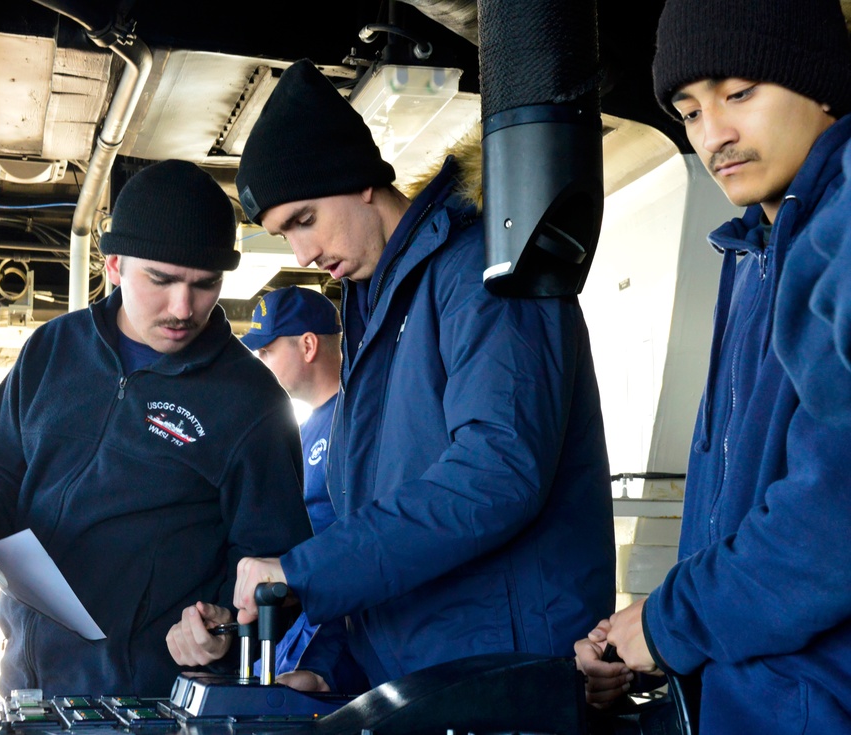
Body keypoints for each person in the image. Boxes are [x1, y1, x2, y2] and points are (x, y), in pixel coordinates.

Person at [228, 58, 616, 692]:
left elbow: (498, 471)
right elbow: (380, 517)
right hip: (424, 677)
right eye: (283, 234)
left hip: (502, 674)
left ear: (357, 182)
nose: (302, 254)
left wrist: (307, 572)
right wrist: (330, 671)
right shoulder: (376, 307)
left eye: (304, 219)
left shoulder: (479, 276)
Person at [0, 159, 313, 697]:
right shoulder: (52, 349)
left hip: (148, 700)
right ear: (113, 265)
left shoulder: (251, 402)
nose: (184, 308)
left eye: (205, 285)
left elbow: (276, 562)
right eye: (161, 280)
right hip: (26, 684)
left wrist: (223, 627)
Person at [573, 0, 851, 731]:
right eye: (690, 111)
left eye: (739, 93)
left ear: (820, 83)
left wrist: (671, 622)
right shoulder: (753, 247)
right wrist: (651, 629)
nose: (713, 135)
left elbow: (833, 515)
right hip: (754, 695)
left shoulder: (842, 227)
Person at [239, 285, 350, 680]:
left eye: (267, 351)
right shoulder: (302, 432)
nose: (259, 360)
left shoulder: (357, 423)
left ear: (307, 346)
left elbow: (354, 547)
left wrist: (322, 665)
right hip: (301, 617)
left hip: (339, 632)